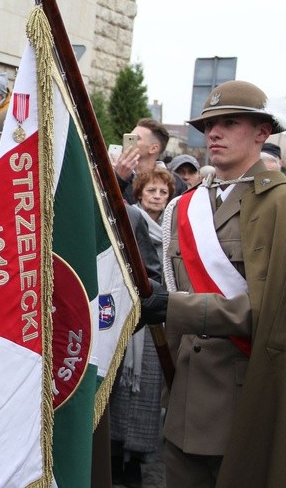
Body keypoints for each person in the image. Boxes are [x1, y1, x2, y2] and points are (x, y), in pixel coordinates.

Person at [140, 80, 286, 487]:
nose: (214, 133)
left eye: (230, 122)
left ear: (262, 131)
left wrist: (172, 307)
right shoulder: (186, 205)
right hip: (186, 402)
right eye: (208, 125)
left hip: (247, 404)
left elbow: (276, 314)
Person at [109, 168, 174, 487]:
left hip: (154, 322)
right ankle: (113, 456)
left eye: (163, 192)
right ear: (139, 194)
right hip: (128, 318)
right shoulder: (131, 219)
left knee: (146, 394)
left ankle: (136, 458)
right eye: (152, 191)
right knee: (121, 390)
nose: (157, 197)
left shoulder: (172, 228)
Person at [113, 118, 187, 204]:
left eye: (136, 138)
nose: (128, 141)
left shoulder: (176, 183)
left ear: (153, 148)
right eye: (129, 137)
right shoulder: (118, 175)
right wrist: (119, 179)